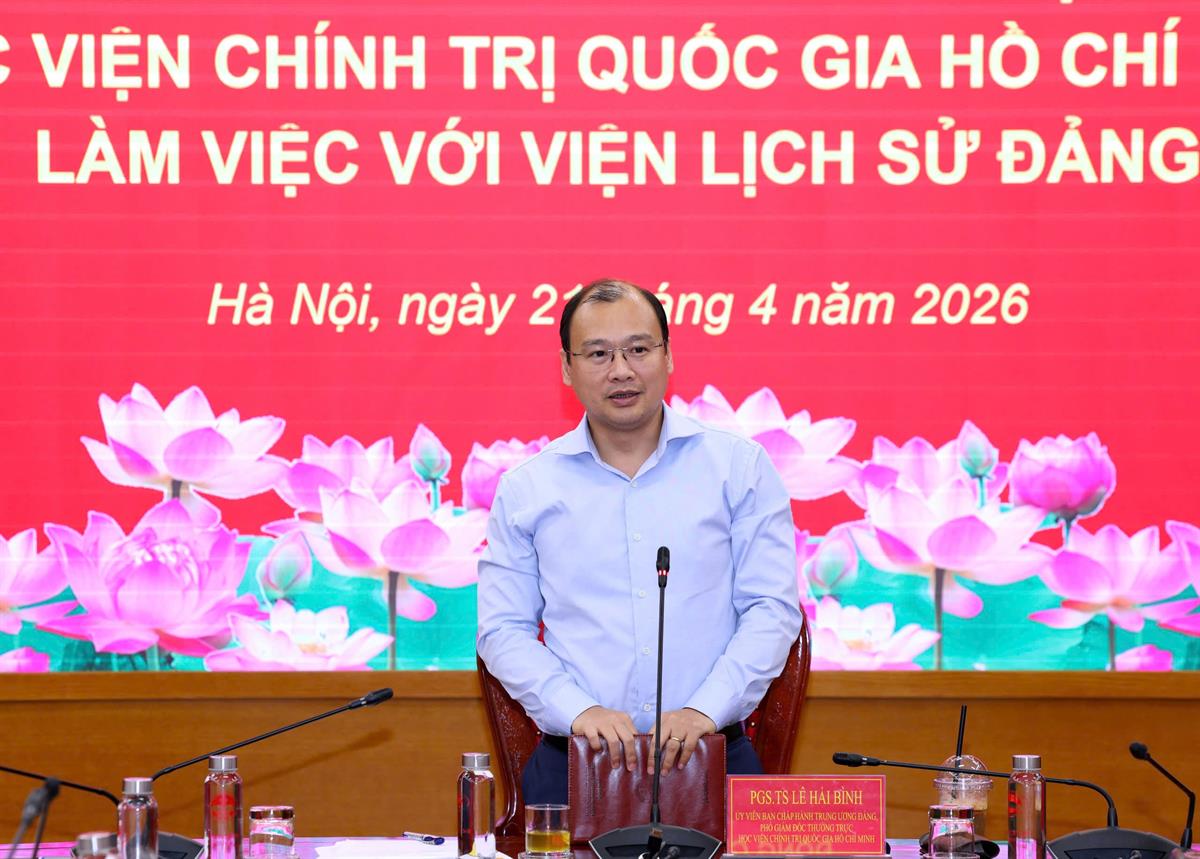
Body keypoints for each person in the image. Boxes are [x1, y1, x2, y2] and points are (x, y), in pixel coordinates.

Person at [476, 278, 802, 805]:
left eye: (638, 349)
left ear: (668, 355)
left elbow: (772, 609)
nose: (621, 370)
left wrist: (704, 710)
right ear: (567, 368)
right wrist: (579, 710)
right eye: (598, 354)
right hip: (575, 762)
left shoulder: (738, 468)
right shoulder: (528, 488)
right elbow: (502, 630)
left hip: (712, 753)